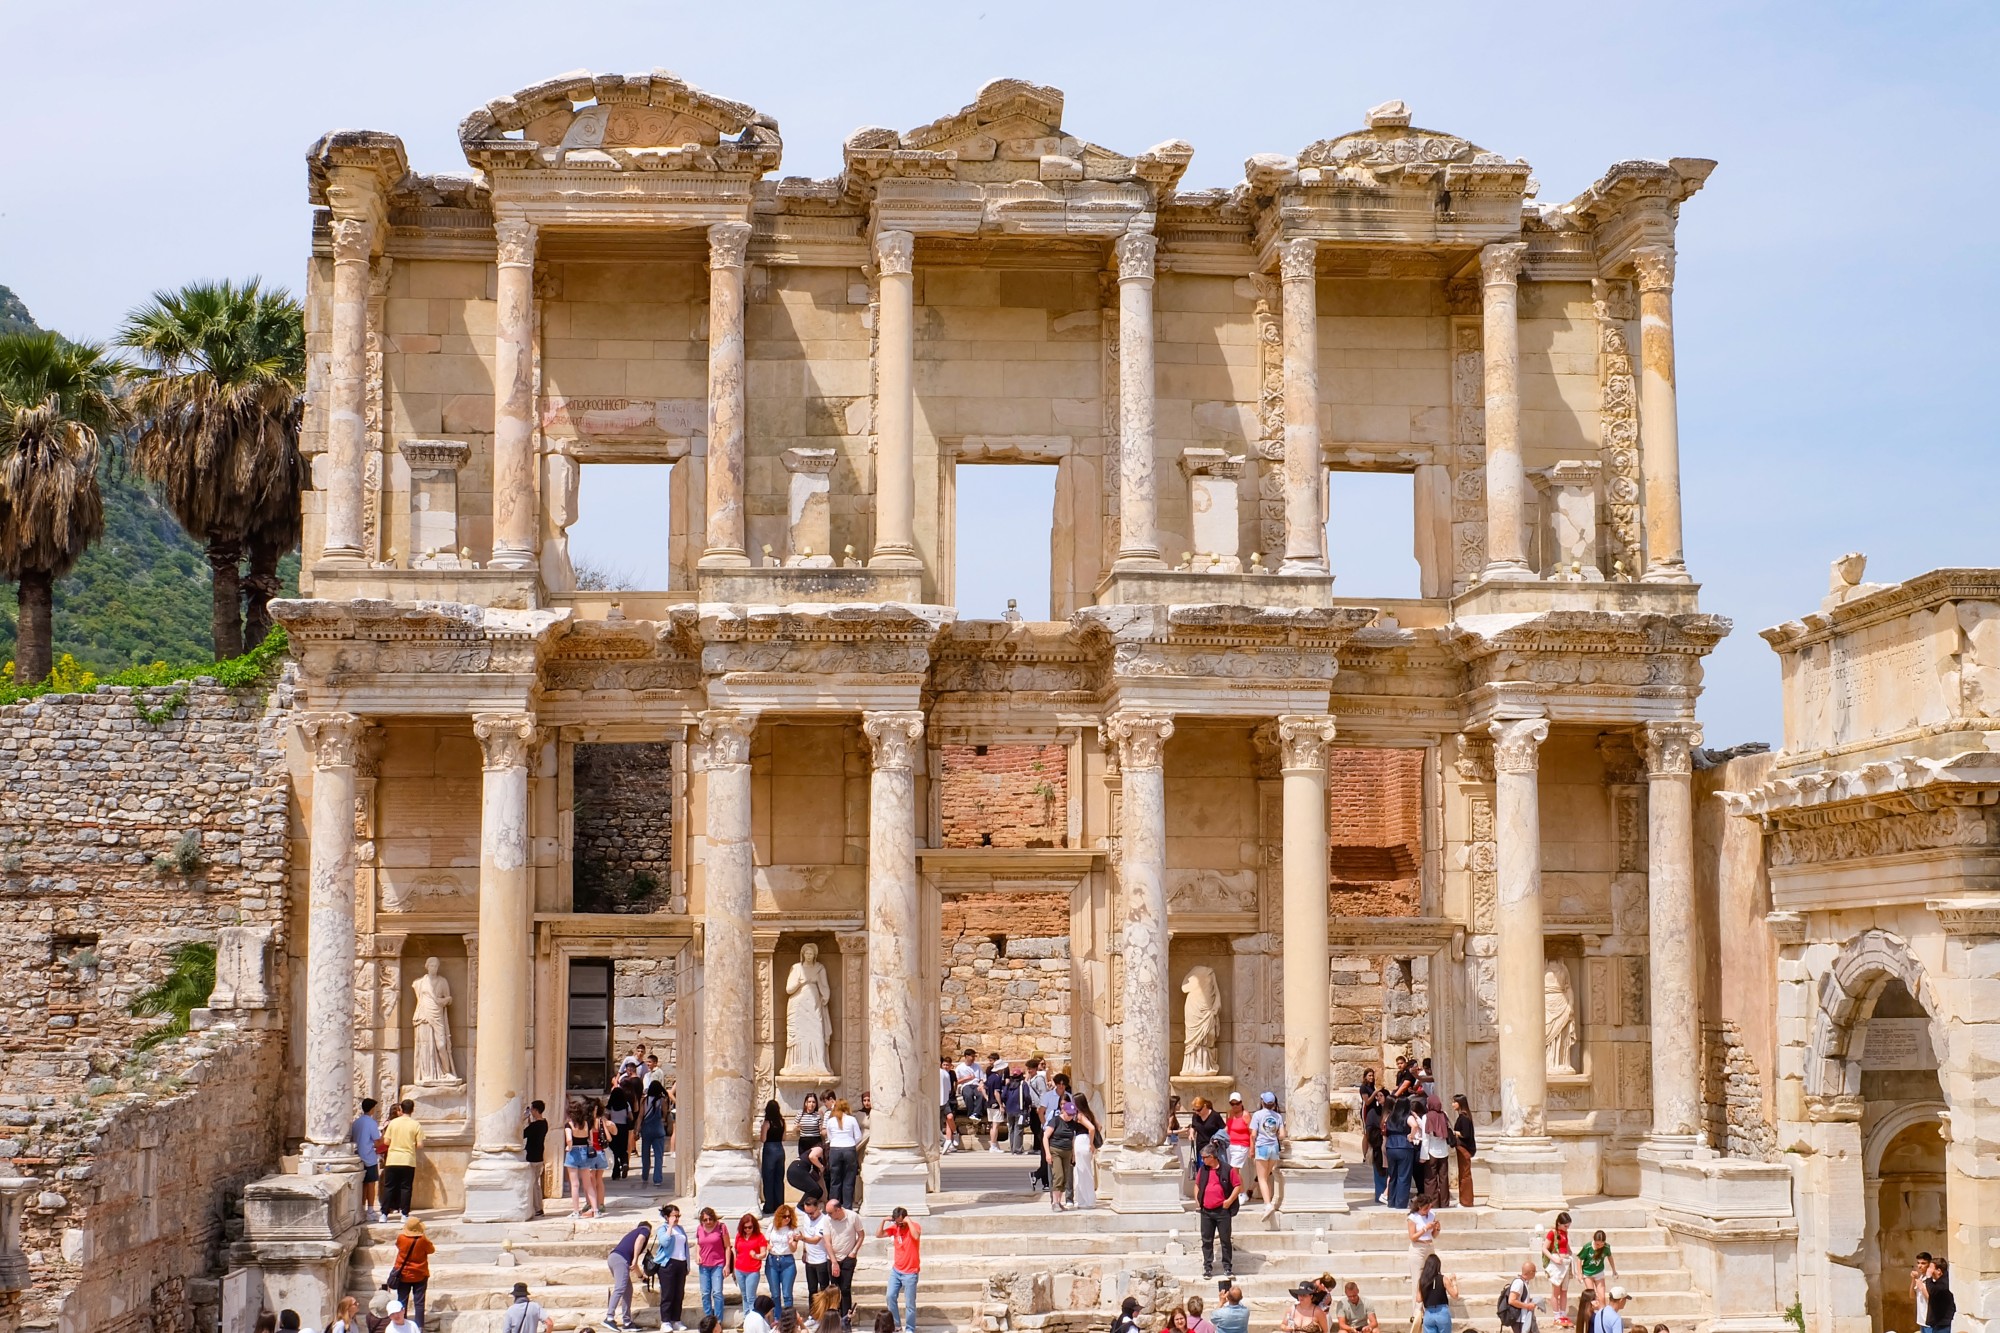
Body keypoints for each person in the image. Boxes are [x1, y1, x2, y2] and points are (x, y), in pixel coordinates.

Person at [1192, 1139, 1242, 1281]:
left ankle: (1227, 1267)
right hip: (1206, 1210)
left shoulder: (1228, 1169)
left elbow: (1238, 1186)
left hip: (1222, 1210)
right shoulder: (1203, 1170)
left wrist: (1229, 1201)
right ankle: (1208, 1267)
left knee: (1225, 1239)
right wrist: (1198, 1200)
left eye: (1205, 1157)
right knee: (1206, 1240)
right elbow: (1197, 1185)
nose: (1203, 1160)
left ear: (1212, 1157)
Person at [604, 1219, 652, 1331]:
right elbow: (640, 1240)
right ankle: (609, 1318)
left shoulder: (631, 1237)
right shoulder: (644, 1229)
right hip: (620, 1259)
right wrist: (635, 1258)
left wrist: (641, 1277)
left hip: (614, 1258)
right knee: (620, 1287)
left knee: (627, 1289)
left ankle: (627, 1322)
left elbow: (633, 1266)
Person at [385, 1216, 432, 1328]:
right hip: (420, 1274)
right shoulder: (423, 1240)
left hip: (403, 1275)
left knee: (402, 1300)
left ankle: (402, 1324)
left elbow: (398, 1246)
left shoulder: (401, 1238)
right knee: (419, 1302)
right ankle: (419, 1327)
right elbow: (431, 1250)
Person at [824, 1196, 865, 1327]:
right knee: (834, 1289)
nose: (828, 1215)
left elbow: (861, 1235)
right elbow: (827, 1242)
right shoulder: (827, 1220)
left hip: (848, 1257)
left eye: (830, 1212)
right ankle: (835, 1319)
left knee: (845, 1288)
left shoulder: (853, 1217)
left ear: (838, 1210)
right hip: (833, 1257)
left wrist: (854, 1251)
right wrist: (834, 1261)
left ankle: (846, 1318)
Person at [879, 1206, 920, 1333]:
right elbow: (878, 1234)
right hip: (896, 1271)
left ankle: (910, 1328)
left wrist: (908, 1222)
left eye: (900, 1222)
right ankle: (897, 1325)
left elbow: (916, 1236)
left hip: (910, 1272)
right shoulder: (894, 1228)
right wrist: (883, 1221)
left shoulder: (915, 1226)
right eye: (896, 1222)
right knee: (890, 1296)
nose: (898, 1224)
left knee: (910, 1304)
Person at [381, 1100, 422, 1221]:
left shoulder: (393, 1123)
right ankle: (404, 1214)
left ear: (401, 1109)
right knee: (406, 1188)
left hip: (393, 1159)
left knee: (389, 1187)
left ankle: (384, 1214)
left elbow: (386, 1142)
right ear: (412, 1110)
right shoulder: (416, 1124)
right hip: (408, 1160)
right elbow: (420, 1145)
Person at [654, 1205, 691, 1332]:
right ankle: (665, 1321)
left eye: (678, 1216)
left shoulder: (681, 1229)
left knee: (679, 1293)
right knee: (668, 1294)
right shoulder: (662, 1229)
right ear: (667, 1217)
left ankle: (676, 1319)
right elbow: (664, 1242)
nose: (676, 1218)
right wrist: (670, 1226)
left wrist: (687, 1264)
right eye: (674, 1216)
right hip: (667, 1264)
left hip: (681, 1263)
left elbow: (685, 1247)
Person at [1248, 1092, 1285, 1213]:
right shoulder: (1278, 1116)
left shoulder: (1257, 1115)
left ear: (1262, 1102)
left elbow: (1253, 1134)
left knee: (1262, 1178)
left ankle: (1267, 1204)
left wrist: (1252, 1148)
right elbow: (1282, 1135)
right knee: (1267, 1176)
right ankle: (1270, 1201)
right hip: (1274, 1147)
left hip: (1262, 1146)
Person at [695, 1207, 731, 1324]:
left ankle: (718, 1320)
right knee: (705, 1293)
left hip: (718, 1264)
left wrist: (727, 1265)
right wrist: (697, 1255)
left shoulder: (721, 1227)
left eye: (710, 1219)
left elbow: (727, 1247)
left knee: (717, 1292)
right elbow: (698, 1243)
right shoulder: (699, 1228)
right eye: (705, 1220)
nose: (708, 1222)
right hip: (704, 1264)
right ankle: (708, 1318)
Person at [824, 1098, 862, 1208]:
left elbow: (829, 1136)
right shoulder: (852, 1119)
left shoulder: (830, 1121)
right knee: (849, 1180)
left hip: (835, 1149)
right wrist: (851, 1143)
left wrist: (836, 1142)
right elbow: (858, 1136)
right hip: (849, 1148)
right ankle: (847, 1207)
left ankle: (833, 1207)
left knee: (835, 1180)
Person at [1416, 1094, 1453, 1209]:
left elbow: (1426, 1138)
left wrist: (1423, 1155)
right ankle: (1445, 1203)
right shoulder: (1444, 1115)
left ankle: (1433, 1204)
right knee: (1444, 1178)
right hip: (1443, 1152)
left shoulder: (1427, 1117)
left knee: (1430, 1180)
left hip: (1431, 1152)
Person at [765, 1203, 801, 1316]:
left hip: (787, 1260)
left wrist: (791, 1243)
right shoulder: (772, 1227)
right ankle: (777, 1318)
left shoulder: (793, 1230)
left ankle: (789, 1319)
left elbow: (794, 1249)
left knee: (787, 1294)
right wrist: (768, 1246)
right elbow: (765, 1241)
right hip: (772, 1259)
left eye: (789, 1216)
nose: (787, 1219)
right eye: (784, 1216)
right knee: (775, 1294)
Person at [351, 1099, 384, 1222]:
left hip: (358, 1155)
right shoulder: (371, 1123)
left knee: (362, 1184)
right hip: (369, 1156)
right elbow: (377, 1141)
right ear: (372, 1109)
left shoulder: (356, 1122)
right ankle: (370, 1210)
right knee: (370, 1184)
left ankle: (361, 1208)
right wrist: (384, 1137)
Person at [1043, 1097, 1079, 1210]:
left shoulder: (1072, 1123)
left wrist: (1073, 1154)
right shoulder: (1056, 1120)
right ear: (1063, 1111)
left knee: (1065, 1177)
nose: (1070, 1116)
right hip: (1055, 1150)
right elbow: (1045, 1137)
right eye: (1069, 1114)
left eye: (1072, 1115)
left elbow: (1072, 1138)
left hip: (1067, 1152)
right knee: (1058, 1176)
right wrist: (1047, 1153)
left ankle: (1059, 1202)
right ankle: (1054, 1202)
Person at [1382, 1095, 1415, 1210]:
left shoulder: (1390, 1116)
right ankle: (1401, 1203)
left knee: (1393, 1175)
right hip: (1404, 1146)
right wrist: (1411, 1136)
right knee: (1404, 1176)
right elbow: (1415, 1125)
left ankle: (1392, 1201)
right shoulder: (1407, 1117)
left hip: (1391, 1146)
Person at [1542, 1211, 1574, 1326]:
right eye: (1565, 1226)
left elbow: (1565, 1244)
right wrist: (1554, 1259)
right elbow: (1544, 1248)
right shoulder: (1552, 1233)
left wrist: (1569, 1251)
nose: (1567, 1228)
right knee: (1556, 1291)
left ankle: (1563, 1314)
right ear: (1559, 1223)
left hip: (1565, 1263)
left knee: (1564, 1291)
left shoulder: (1565, 1232)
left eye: (1568, 1226)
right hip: (1557, 1264)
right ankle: (1556, 1316)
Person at [1070, 1093, 1102, 1209]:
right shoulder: (1089, 1114)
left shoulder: (1080, 1115)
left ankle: (1086, 1200)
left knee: (1083, 1171)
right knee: (1085, 1170)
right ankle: (1085, 1199)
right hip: (1085, 1140)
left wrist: (1091, 1143)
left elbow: (1092, 1128)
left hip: (1082, 1141)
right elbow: (1099, 1126)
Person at [733, 1213, 770, 1312]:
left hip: (752, 1271)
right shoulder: (739, 1236)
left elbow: (763, 1253)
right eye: (745, 1228)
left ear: (754, 1226)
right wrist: (734, 1270)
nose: (747, 1230)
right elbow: (736, 1252)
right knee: (744, 1296)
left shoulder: (759, 1237)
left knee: (751, 1297)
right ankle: (747, 1317)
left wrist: (756, 1256)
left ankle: (753, 1319)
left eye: (750, 1227)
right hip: (739, 1269)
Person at [1407, 1196, 1441, 1302]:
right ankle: (1417, 1312)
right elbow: (1412, 1237)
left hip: (1429, 1247)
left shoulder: (1432, 1215)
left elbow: (1434, 1235)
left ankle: (1430, 1304)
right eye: (1425, 1208)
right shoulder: (1413, 1217)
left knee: (1431, 1277)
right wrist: (1425, 1228)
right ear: (1419, 1207)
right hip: (1418, 1248)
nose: (1428, 1210)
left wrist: (1437, 1229)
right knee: (1417, 1280)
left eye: (1429, 1207)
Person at [760, 1101, 788, 1215]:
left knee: (768, 1178)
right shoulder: (782, 1122)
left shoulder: (767, 1123)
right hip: (780, 1149)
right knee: (779, 1179)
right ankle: (779, 1205)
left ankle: (769, 1206)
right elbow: (784, 1137)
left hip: (769, 1149)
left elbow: (763, 1139)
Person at [1416, 1254, 1458, 1333]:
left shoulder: (1422, 1280)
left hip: (1428, 1314)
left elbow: (1418, 1299)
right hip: (1442, 1312)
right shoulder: (1443, 1279)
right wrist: (1454, 1282)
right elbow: (1455, 1295)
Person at [522, 1100, 549, 1215]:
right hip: (539, 1156)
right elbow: (532, 1130)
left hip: (532, 1157)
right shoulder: (544, 1123)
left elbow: (522, 1134)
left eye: (532, 1109)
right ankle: (538, 1207)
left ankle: (537, 1208)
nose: (531, 1111)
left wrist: (522, 1119)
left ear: (536, 1110)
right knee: (536, 1184)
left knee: (533, 1184)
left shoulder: (534, 1126)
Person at [639, 1083, 669, 1187]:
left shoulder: (645, 1101)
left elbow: (640, 1116)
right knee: (658, 1156)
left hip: (646, 1130)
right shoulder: (662, 1101)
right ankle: (657, 1179)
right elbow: (665, 1114)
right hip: (658, 1129)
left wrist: (636, 1129)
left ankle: (645, 1175)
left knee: (645, 1154)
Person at [1449, 1095, 1476, 1207]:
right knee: (1463, 1173)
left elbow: (1465, 1134)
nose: (1452, 1104)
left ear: (1460, 1103)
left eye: (1455, 1102)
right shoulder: (1464, 1116)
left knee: (1465, 1174)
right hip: (1462, 1148)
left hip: (1464, 1148)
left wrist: (1454, 1132)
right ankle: (1464, 1200)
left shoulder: (1464, 1117)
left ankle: (1466, 1201)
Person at [1362, 1090, 1388, 1204]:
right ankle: (1380, 1195)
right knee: (1379, 1172)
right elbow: (1368, 1131)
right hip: (1377, 1145)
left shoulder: (1390, 1110)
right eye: (1377, 1096)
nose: (1378, 1098)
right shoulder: (1373, 1112)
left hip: (1388, 1145)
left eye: (1381, 1095)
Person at [1578, 1229, 1617, 1303]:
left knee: (1602, 1297)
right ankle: (1593, 1313)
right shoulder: (1587, 1247)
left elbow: (1610, 1257)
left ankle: (1602, 1313)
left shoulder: (1606, 1247)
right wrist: (1579, 1273)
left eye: (1602, 1244)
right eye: (1597, 1244)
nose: (1599, 1246)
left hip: (1599, 1272)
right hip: (1587, 1273)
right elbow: (1579, 1259)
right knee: (1592, 1297)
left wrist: (1614, 1270)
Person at [606, 1084, 634, 1181]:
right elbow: (631, 1117)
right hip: (624, 1128)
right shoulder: (626, 1104)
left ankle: (616, 1171)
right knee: (623, 1148)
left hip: (613, 1128)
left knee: (614, 1150)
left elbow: (606, 1117)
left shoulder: (611, 1105)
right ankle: (625, 1163)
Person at [1922, 1256, 1956, 1333]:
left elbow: (1932, 1291)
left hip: (1943, 1324)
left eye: (1930, 1268)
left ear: (1939, 1271)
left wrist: (1928, 1277)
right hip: (1938, 1323)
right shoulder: (1941, 1281)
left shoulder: (1944, 1283)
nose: (1928, 1270)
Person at [1506, 1260, 1541, 1333]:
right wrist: (1527, 1306)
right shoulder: (1519, 1283)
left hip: (1524, 1319)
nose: (1535, 1273)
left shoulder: (1524, 1282)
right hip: (1519, 1320)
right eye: (1535, 1271)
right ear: (1531, 1272)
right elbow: (1511, 1300)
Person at [1222, 1093, 1252, 1172]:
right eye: (1232, 1104)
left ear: (1241, 1103)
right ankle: (1238, 1184)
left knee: (1234, 1170)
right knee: (1233, 1172)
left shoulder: (1246, 1115)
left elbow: (1252, 1132)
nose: (1235, 1106)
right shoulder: (1229, 1113)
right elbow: (1227, 1128)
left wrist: (1252, 1148)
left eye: (1237, 1103)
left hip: (1241, 1146)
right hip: (1230, 1145)